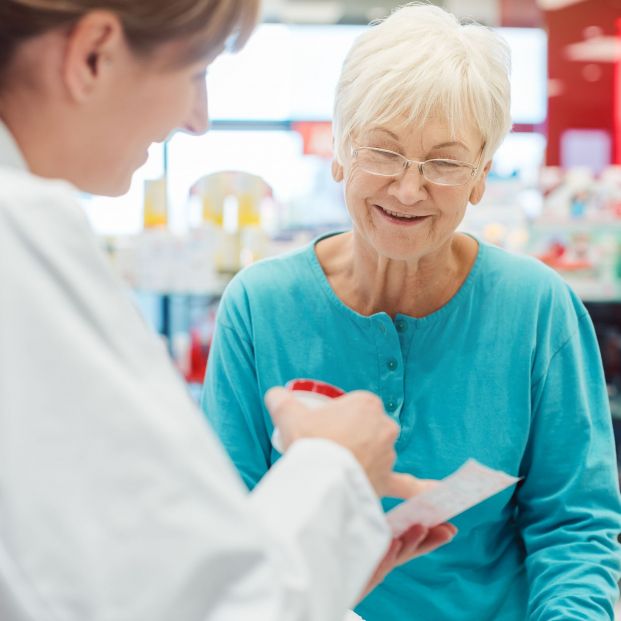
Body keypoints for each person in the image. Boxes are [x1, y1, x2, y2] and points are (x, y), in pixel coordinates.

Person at [0, 1, 455, 620]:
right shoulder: (23, 233)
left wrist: (322, 560)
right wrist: (336, 469)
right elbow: (201, 605)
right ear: (94, 56)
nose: (200, 120)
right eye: (197, 74)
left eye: (445, 162)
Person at [201, 3, 621, 620]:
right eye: (382, 152)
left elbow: (574, 527)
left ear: (481, 174)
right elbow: (227, 521)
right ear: (340, 151)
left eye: (445, 162)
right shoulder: (260, 306)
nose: (406, 187)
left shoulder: (536, 308)